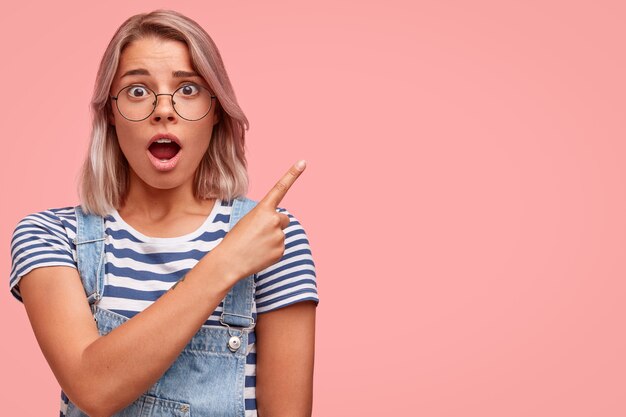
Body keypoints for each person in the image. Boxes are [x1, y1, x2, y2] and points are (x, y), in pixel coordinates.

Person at [8, 9, 318, 417]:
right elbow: (93, 388)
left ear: (216, 112)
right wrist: (224, 263)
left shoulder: (273, 237)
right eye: (137, 91)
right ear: (111, 116)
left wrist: (244, 252)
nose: (164, 110)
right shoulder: (48, 236)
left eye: (188, 89)